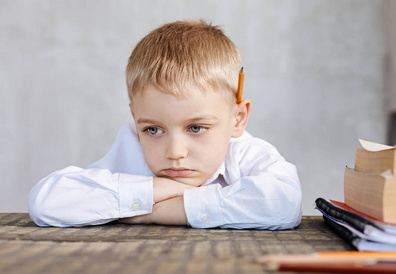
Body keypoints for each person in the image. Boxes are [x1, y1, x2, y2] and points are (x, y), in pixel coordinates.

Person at [28, 20, 302, 229]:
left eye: (196, 128)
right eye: (153, 130)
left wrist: (154, 212)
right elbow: (46, 203)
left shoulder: (245, 153)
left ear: (238, 119)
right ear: (136, 120)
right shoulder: (131, 145)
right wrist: (164, 189)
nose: (175, 152)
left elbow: (285, 203)